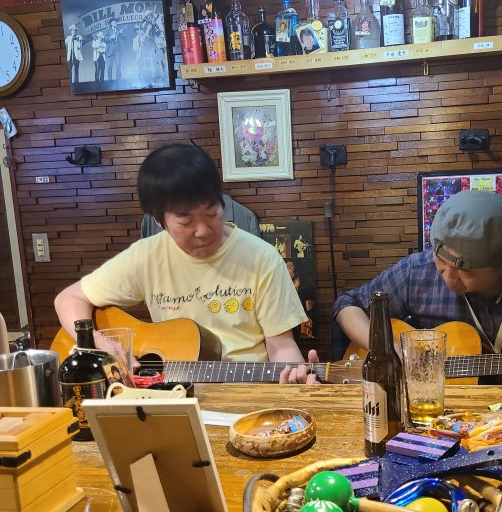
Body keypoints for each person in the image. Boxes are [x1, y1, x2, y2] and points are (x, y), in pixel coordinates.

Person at [54, 144, 317, 383]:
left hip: (246, 393)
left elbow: (281, 345)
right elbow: (69, 299)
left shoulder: (262, 258)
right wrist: (100, 344)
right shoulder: (147, 257)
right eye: (185, 221)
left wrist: (295, 382)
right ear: (158, 220)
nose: (203, 230)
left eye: (211, 212)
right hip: (171, 396)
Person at [333, 190, 502, 386]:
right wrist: (385, 349)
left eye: (466, 272)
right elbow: (347, 306)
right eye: (441, 264)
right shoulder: (417, 271)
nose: (448, 279)